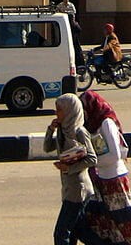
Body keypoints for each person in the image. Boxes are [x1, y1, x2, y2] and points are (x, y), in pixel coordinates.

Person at [80, 91, 131, 245]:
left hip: (115, 179)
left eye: (84, 109)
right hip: (103, 179)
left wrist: (93, 162)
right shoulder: (93, 124)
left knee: (126, 220)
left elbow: (115, 154)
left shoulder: (106, 123)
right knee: (113, 225)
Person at [44, 93, 108, 245]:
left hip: (78, 189)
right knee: (79, 232)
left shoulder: (80, 132)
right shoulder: (63, 130)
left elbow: (92, 159)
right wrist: (50, 129)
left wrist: (69, 167)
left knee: (61, 233)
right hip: (68, 187)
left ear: (70, 111)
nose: (56, 113)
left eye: (59, 109)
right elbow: (47, 148)